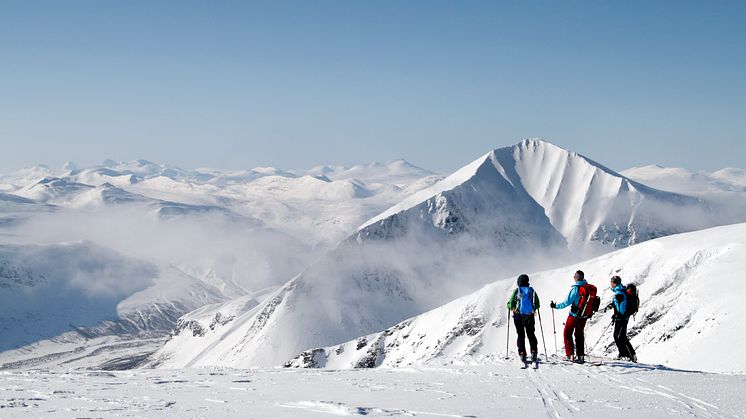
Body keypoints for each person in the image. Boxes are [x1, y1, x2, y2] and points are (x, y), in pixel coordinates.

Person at [550, 270, 593, 363]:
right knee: (579, 334)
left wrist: (555, 306)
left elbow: (567, 302)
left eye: (574, 276)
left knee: (567, 332)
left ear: (577, 278)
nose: (573, 278)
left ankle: (570, 355)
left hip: (574, 315)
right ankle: (581, 356)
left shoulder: (576, 288)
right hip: (584, 315)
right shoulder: (588, 287)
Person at [506, 274, 540, 364]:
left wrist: (509, 306)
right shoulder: (532, 291)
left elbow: (510, 304)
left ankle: (522, 353)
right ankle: (534, 352)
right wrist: (533, 309)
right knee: (531, 334)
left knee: (521, 335)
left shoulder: (517, 290)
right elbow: (537, 304)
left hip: (518, 316)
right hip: (530, 316)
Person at [607, 275, 637, 362]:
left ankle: (627, 355)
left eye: (611, 282)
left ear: (614, 283)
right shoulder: (621, 291)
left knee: (619, 337)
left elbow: (622, 305)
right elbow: (619, 303)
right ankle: (628, 355)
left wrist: (619, 315)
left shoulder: (619, 292)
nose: (611, 284)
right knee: (620, 336)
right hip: (623, 317)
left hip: (622, 318)